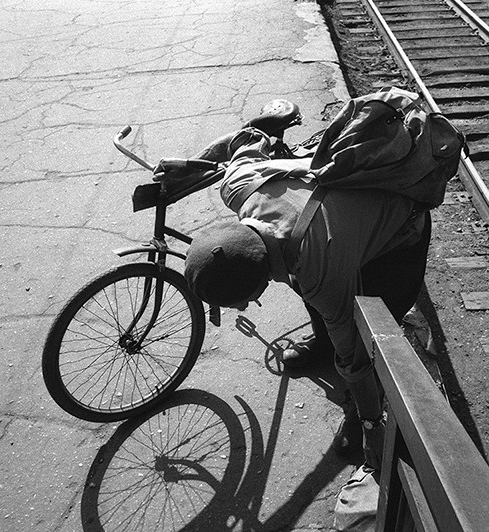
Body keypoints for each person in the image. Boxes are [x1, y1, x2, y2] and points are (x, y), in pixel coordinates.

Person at [163, 125, 431, 470]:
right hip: (332, 230)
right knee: (308, 286)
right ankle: (323, 342)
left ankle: (359, 410)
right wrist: (191, 164)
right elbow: (246, 138)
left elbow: (355, 359)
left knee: (370, 327)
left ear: (256, 288)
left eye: (240, 302)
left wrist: (371, 425)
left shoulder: (318, 269)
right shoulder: (238, 187)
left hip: (399, 230)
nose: (244, 308)